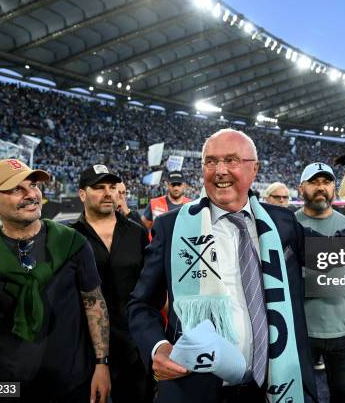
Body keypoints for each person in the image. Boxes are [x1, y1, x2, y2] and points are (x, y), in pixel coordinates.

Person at [128, 129, 318, 402]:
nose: (220, 171)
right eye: (211, 161)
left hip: (273, 386)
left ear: (255, 169)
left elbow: (336, 257)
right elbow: (141, 304)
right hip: (196, 386)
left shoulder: (283, 222)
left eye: (231, 160)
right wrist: (158, 347)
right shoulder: (172, 227)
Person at [0, 159, 110, 402]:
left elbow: (95, 305)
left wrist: (102, 364)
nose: (31, 194)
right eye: (15, 189)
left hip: (74, 385)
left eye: (33, 185)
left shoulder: (72, 244)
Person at [70, 165, 153, 402]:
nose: (108, 193)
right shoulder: (69, 237)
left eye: (112, 187)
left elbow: (150, 287)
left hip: (133, 347)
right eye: (99, 187)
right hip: (84, 349)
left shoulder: (137, 233)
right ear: (82, 194)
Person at [295, 162, 345, 403]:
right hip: (300, 331)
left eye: (327, 182)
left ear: (334, 188)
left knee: (342, 394)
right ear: (302, 188)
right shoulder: (286, 226)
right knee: (298, 393)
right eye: (314, 182)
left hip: (344, 332)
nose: (321, 187)